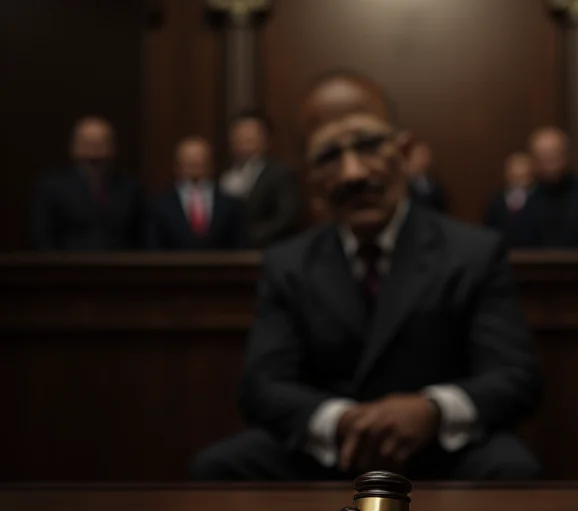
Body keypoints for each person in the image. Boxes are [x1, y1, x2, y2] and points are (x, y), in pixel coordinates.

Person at [191, 71, 541, 481]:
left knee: (511, 467)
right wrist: (341, 421)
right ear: (311, 179)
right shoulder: (287, 263)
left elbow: (516, 377)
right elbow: (261, 386)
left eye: (368, 145)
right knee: (220, 467)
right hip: (329, 456)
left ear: (405, 151)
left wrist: (431, 410)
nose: (353, 173)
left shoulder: (474, 252)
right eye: (328, 156)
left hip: (441, 453)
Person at [486, 127, 578, 248]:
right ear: (532, 158)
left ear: (567, 154)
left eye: (554, 153)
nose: (549, 160)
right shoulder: (516, 199)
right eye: (542, 155)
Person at [31, 116, 145, 250]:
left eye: (101, 144)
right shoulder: (52, 187)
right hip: (66, 267)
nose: (94, 152)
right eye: (88, 144)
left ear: (113, 147)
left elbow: (142, 238)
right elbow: (42, 237)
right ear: (74, 146)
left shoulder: (131, 189)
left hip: (120, 267)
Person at [219, 111, 301, 248]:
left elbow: (286, 218)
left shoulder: (280, 173)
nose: (244, 142)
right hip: (229, 254)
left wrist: (247, 238)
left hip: (267, 250)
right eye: (239, 137)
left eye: (250, 137)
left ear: (266, 140)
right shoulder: (226, 176)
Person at [147, 137, 244, 250]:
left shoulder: (231, 204)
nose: (194, 162)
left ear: (210, 162)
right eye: (188, 158)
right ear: (177, 164)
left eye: (199, 157)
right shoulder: (159, 205)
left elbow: (239, 245)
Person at [484, 153, 535, 240]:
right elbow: (488, 229)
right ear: (506, 175)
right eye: (514, 176)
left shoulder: (539, 201)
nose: (518, 182)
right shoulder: (497, 201)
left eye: (523, 177)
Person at [405, 141, 448, 212]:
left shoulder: (435, 183)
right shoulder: (404, 182)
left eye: (426, 155)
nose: (424, 158)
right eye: (420, 154)